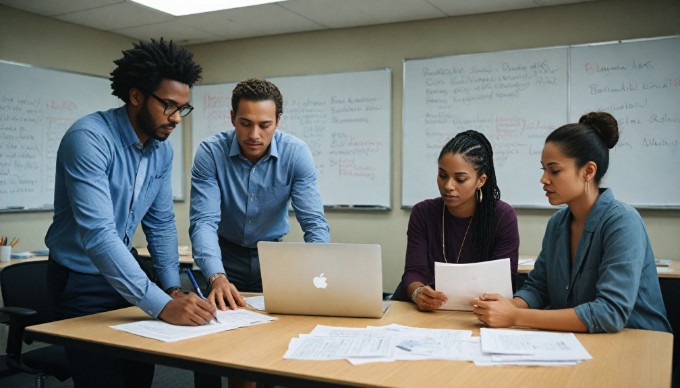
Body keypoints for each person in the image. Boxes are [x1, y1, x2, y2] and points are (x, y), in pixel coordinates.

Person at [45, 39, 217, 388]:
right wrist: (162, 305)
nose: (175, 119)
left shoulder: (160, 150)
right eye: (168, 105)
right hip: (81, 279)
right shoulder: (88, 138)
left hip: (126, 274)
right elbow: (99, 235)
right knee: (103, 380)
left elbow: (161, 223)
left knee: (139, 374)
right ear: (136, 96)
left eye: (182, 109)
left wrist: (169, 288)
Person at [470, 112, 672, 333]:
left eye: (554, 170)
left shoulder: (623, 222)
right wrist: (506, 306)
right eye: (543, 169)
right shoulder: (557, 224)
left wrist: (515, 316)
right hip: (580, 343)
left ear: (588, 171)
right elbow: (538, 288)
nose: (544, 179)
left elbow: (609, 313)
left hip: (639, 344)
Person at [190, 78, 330, 309]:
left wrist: (319, 269)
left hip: (273, 257)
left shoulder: (296, 153)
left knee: (274, 329)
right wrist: (216, 277)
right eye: (245, 123)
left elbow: (314, 223)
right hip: (224, 256)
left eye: (264, 125)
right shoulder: (211, 153)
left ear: (278, 122)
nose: (254, 134)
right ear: (232, 116)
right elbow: (204, 222)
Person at [397, 130, 519, 311]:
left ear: (481, 180)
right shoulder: (423, 213)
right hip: (427, 314)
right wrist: (418, 292)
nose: (448, 186)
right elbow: (414, 271)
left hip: (479, 313)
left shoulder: (502, 216)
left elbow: (504, 280)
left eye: (460, 179)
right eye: (442, 175)